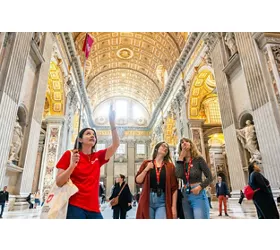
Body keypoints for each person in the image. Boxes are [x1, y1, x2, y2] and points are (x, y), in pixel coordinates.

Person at [55, 104, 119, 219]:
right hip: (75, 205)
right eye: (88, 133)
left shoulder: (98, 157)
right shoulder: (70, 154)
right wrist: (71, 166)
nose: (92, 136)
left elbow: (115, 145)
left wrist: (112, 123)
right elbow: (59, 182)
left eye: (93, 135)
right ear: (80, 139)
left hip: (94, 208)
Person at [135, 141, 178, 219]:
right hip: (147, 199)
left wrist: (173, 207)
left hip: (162, 200)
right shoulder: (146, 163)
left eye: (167, 148)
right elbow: (138, 180)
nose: (165, 148)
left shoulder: (170, 166)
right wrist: (146, 169)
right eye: (163, 146)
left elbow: (174, 188)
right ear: (156, 149)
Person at [175, 138, 213, 219]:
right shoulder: (180, 162)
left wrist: (200, 187)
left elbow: (210, 177)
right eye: (182, 142)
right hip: (185, 195)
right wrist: (181, 157)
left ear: (191, 144)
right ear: (180, 147)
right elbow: (178, 175)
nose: (184, 143)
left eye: (186, 141)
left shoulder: (198, 159)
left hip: (198, 193)